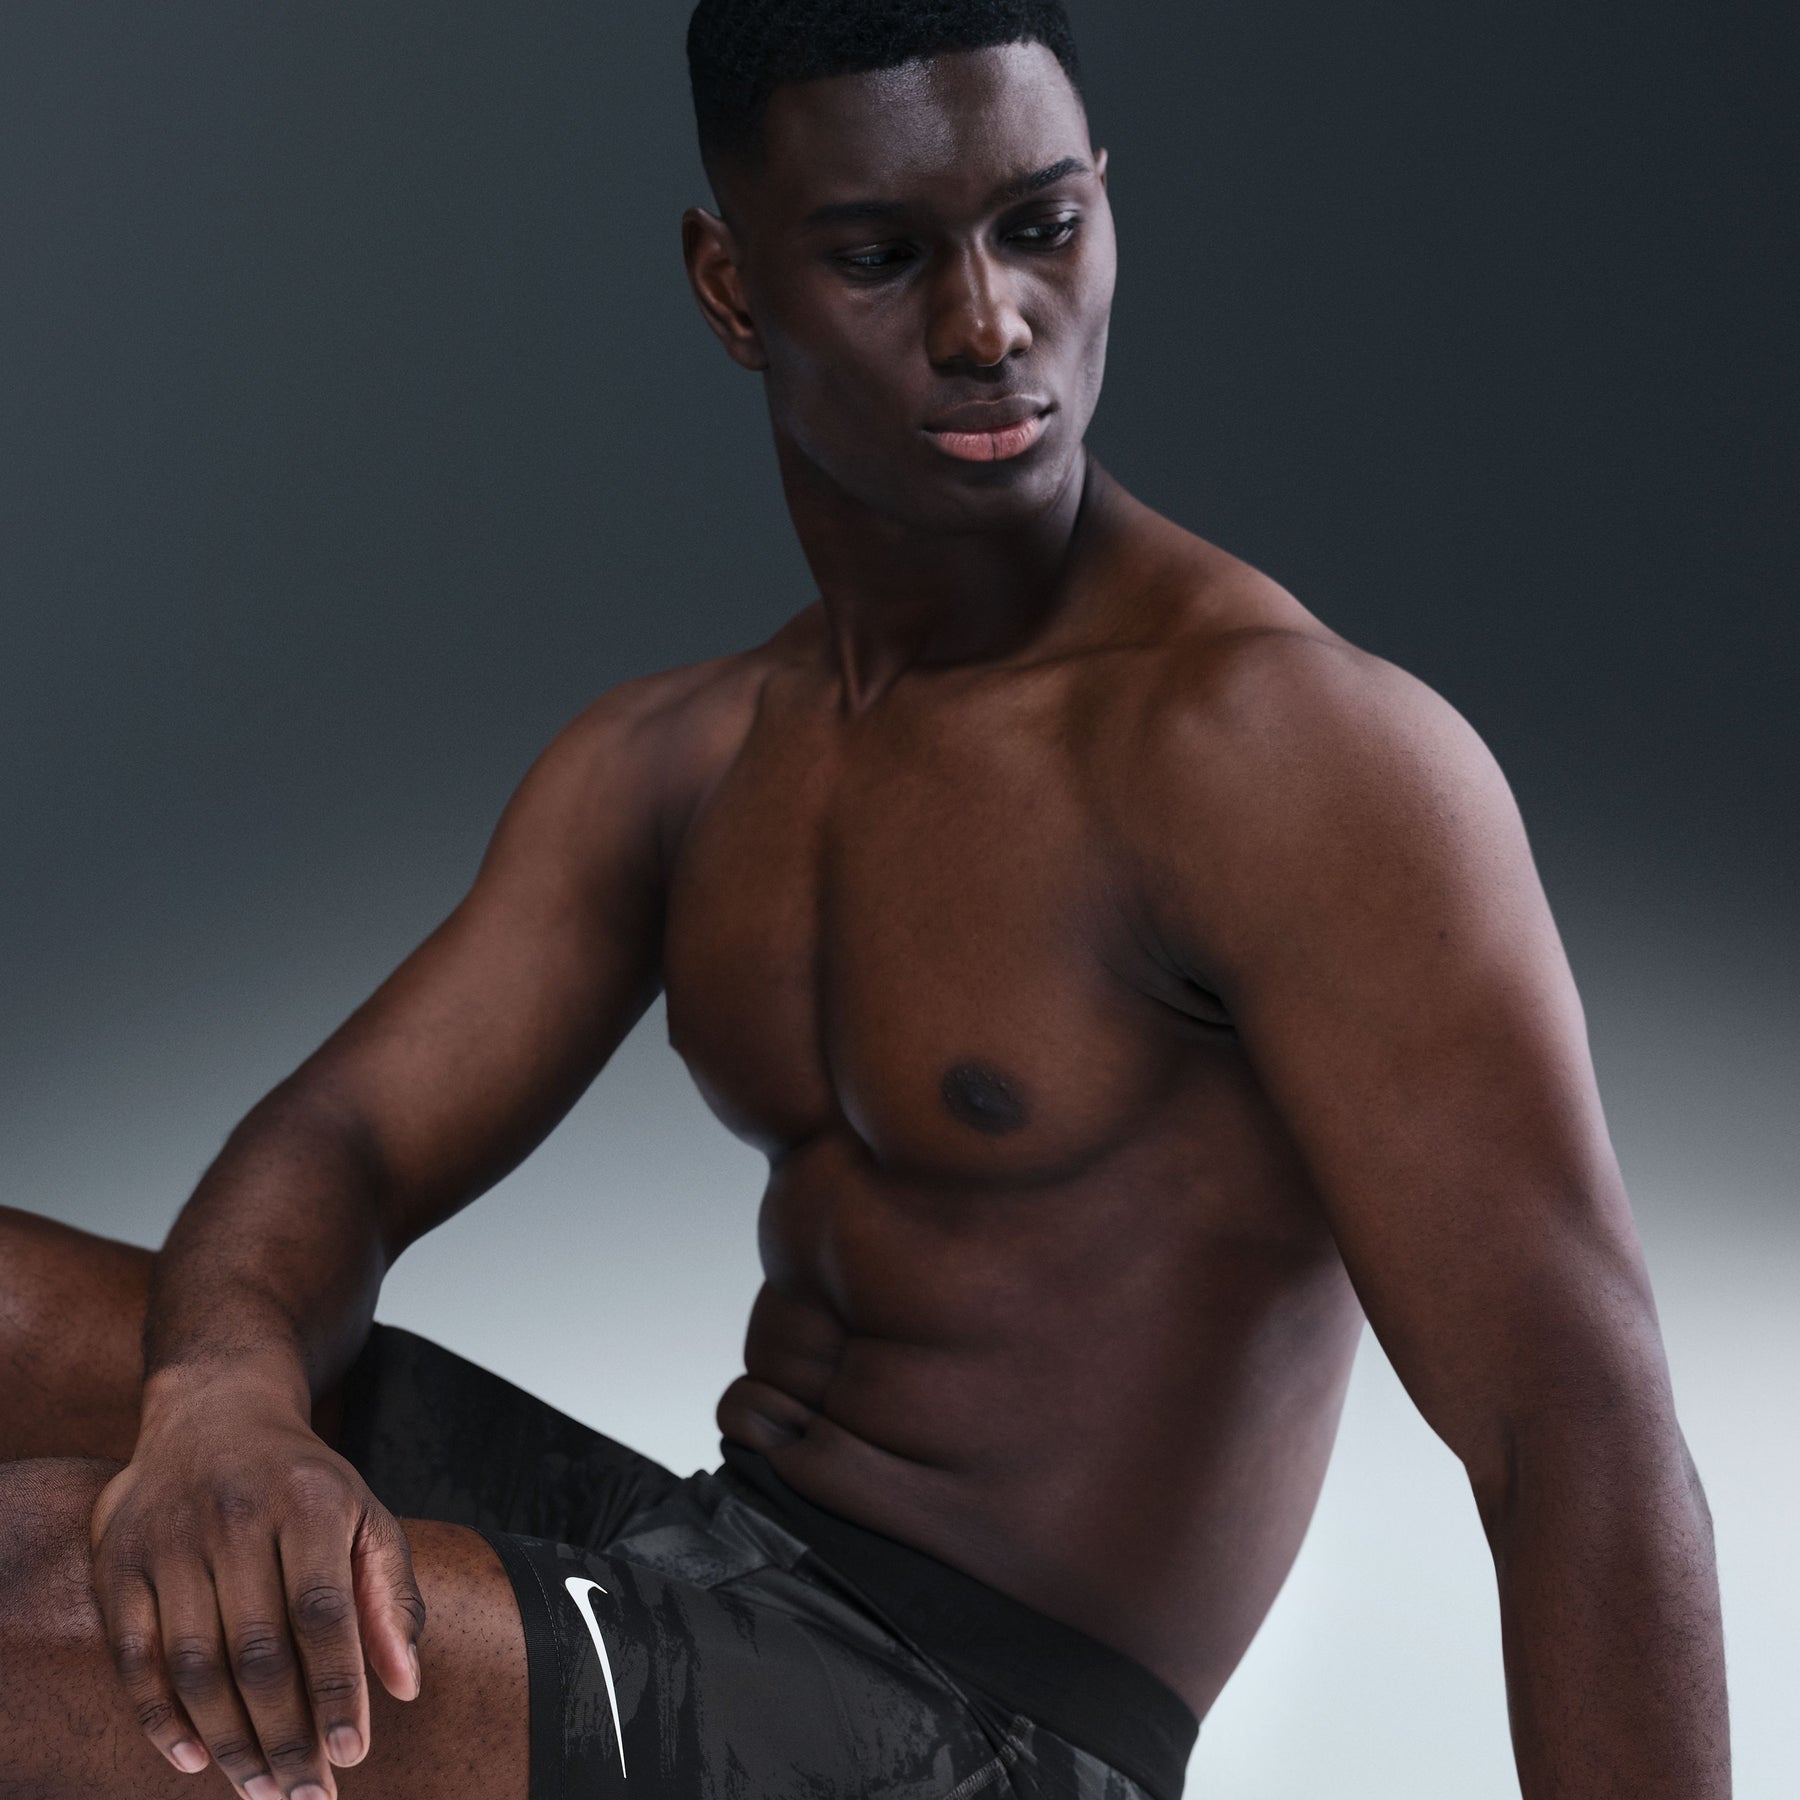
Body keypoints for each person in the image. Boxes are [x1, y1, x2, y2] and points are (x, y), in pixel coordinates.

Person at [0, 3, 1730, 1796]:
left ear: (1104, 204)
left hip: (980, 1738)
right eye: (885, 257)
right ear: (731, 286)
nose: (990, 324)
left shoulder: (1275, 753)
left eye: (1041, 227)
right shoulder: (684, 761)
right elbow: (348, 1139)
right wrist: (221, 1396)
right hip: (708, 1568)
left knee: (35, 1587)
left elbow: (1574, 1430)